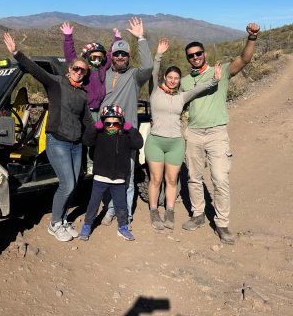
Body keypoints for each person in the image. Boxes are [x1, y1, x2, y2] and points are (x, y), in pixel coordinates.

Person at [3, 32, 93, 242]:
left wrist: (94, 137)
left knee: (74, 183)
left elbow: (87, 120)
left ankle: (62, 220)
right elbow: (35, 71)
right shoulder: (56, 83)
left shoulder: (82, 94)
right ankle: (54, 224)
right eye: (76, 68)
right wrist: (16, 53)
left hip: (76, 144)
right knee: (67, 184)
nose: (79, 72)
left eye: (83, 71)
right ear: (69, 69)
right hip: (58, 141)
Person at [180, 23, 261, 245]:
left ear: (204, 54)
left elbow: (244, 60)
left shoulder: (222, 70)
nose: (195, 57)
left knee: (220, 179)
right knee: (194, 177)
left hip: (216, 133)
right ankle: (198, 215)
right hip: (194, 133)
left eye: (198, 53)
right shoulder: (185, 81)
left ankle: (222, 223)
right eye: (191, 56)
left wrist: (252, 38)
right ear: (188, 59)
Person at [145, 38, 221, 231]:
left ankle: (169, 211)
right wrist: (159, 55)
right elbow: (153, 71)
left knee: (172, 180)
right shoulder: (155, 92)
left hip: (175, 143)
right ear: (165, 78)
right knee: (156, 179)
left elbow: (198, 88)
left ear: (179, 81)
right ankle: (154, 211)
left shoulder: (181, 96)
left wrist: (215, 79)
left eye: (176, 78)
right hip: (155, 141)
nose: (173, 80)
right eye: (170, 77)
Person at [101, 17, 154, 226]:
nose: (120, 57)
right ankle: (110, 209)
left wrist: (141, 38)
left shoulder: (134, 76)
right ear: (112, 56)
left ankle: (125, 214)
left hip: (125, 135)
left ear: (128, 56)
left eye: (124, 54)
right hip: (105, 135)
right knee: (106, 177)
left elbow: (148, 66)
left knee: (127, 177)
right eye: (117, 54)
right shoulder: (103, 76)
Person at [78, 105, 144, 241]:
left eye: (115, 123)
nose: (112, 126)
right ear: (102, 122)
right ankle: (87, 225)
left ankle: (123, 227)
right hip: (100, 177)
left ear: (121, 122)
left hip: (119, 179)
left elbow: (138, 143)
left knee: (121, 205)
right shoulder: (99, 135)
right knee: (93, 203)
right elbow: (86, 140)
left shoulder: (126, 136)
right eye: (108, 123)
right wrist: (93, 128)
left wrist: (130, 129)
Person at [60, 22, 121, 120]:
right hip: (85, 109)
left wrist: (117, 40)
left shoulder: (103, 67)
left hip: (99, 109)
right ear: (87, 57)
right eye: (93, 57)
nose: (97, 60)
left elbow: (110, 54)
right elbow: (70, 56)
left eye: (100, 58)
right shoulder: (84, 69)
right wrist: (68, 37)